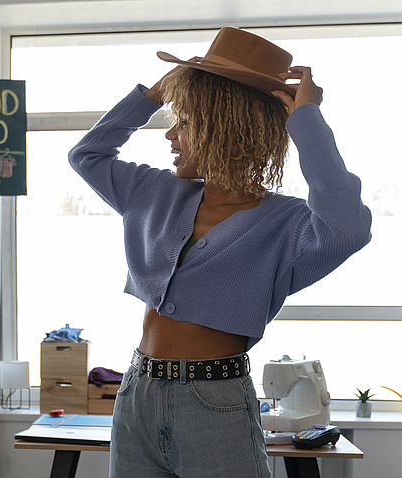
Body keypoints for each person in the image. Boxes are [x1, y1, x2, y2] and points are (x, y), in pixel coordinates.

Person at [69, 27, 371, 477]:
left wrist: (306, 119)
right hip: (137, 392)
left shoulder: (287, 224)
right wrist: (153, 94)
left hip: (215, 403)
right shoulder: (153, 193)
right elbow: (87, 155)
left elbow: (349, 227)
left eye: (185, 121)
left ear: (225, 128)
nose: (171, 135)